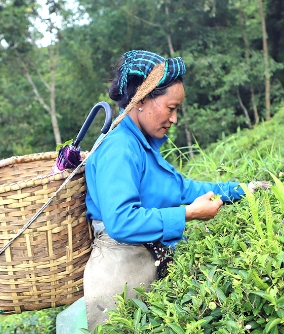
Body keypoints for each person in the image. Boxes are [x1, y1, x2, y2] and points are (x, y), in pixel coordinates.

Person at [83, 50, 269, 331]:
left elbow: (184, 188)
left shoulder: (143, 146)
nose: (175, 118)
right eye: (171, 108)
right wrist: (188, 215)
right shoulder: (119, 148)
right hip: (119, 274)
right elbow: (121, 222)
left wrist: (243, 189)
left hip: (144, 261)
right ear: (142, 100)